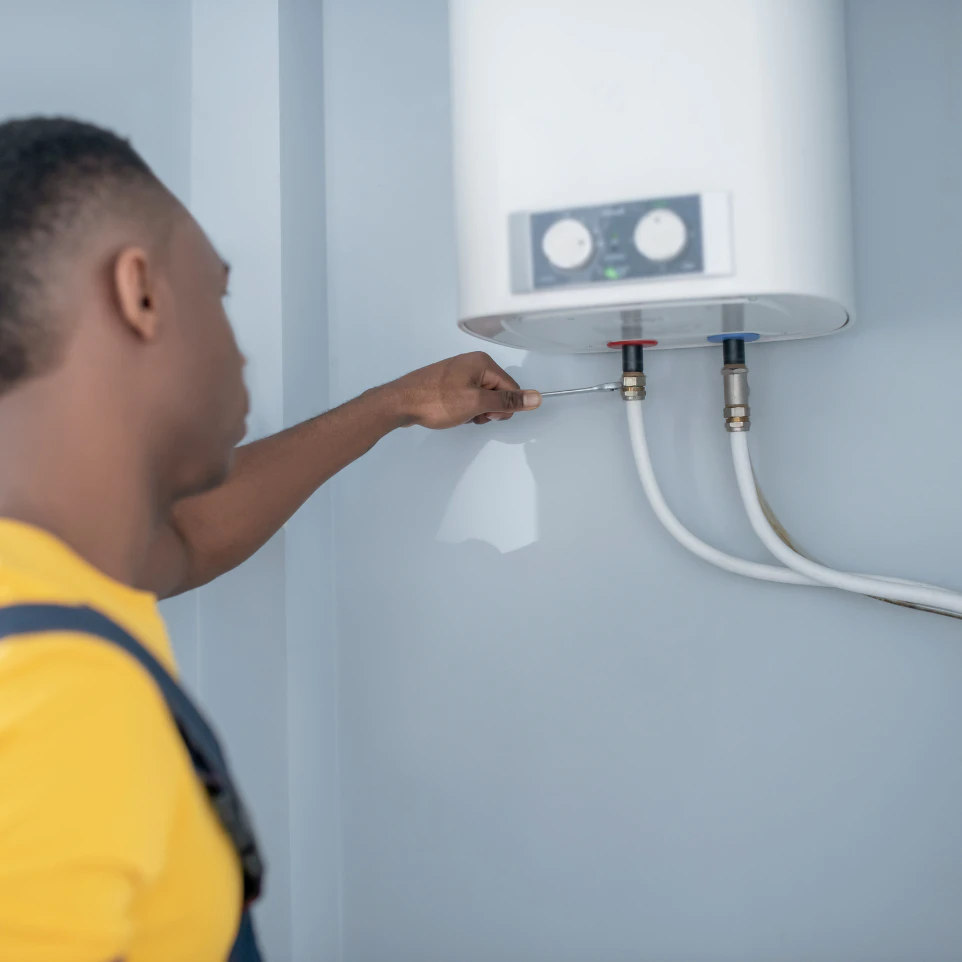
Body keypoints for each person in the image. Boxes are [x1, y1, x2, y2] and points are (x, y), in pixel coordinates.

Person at [0, 116, 541, 962]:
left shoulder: (49, 568)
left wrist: (398, 401)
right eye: (218, 294)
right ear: (139, 294)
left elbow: (188, 538)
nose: (241, 353)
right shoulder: (46, 692)